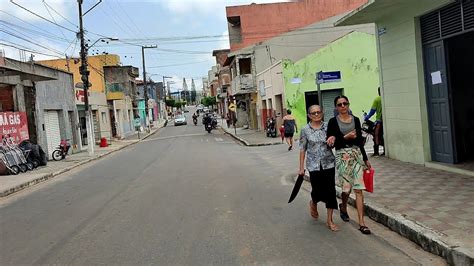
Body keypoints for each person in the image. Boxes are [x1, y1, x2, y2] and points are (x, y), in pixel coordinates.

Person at [327, 95, 372, 235]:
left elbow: (359, 141)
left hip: (356, 154)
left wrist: (365, 159)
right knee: (346, 189)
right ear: (336, 107)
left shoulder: (356, 120)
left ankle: (362, 223)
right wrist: (345, 137)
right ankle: (343, 206)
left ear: (348, 104)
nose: (342, 106)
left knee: (358, 189)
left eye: (345, 103)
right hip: (342, 156)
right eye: (339, 104)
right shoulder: (333, 122)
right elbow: (331, 143)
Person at [299, 105, 339, 232]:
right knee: (317, 190)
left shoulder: (328, 126)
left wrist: (333, 142)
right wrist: (301, 167)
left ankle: (329, 220)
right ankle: (313, 202)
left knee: (331, 191)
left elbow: (334, 142)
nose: (316, 115)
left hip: (329, 163)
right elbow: (302, 148)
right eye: (313, 113)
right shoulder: (305, 130)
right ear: (309, 115)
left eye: (318, 112)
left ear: (322, 113)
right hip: (313, 165)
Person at [365, 87, 384, 156]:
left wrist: (367, 117)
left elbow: (372, 111)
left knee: (376, 135)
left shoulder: (377, 99)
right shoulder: (386, 98)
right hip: (386, 122)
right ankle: (385, 150)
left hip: (379, 121)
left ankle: (376, 152)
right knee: (383, 136)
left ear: (379, 92)